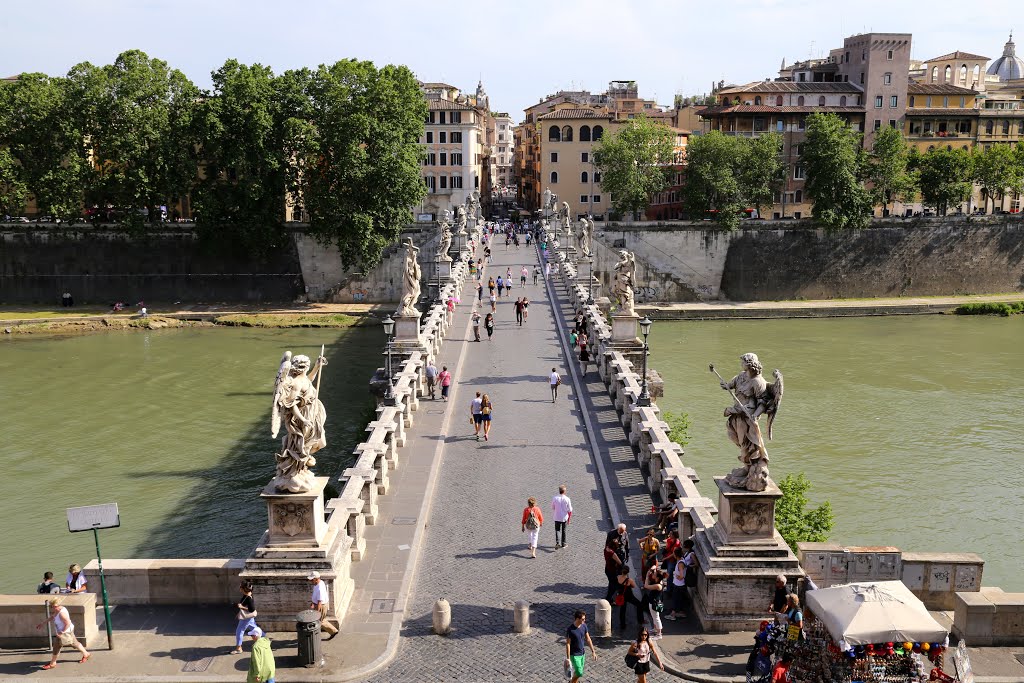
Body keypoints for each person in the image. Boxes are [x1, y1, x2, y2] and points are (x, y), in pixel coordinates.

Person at [37, 597, 90, 668]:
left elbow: (68, 623)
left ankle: (53, 663)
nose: (52, 608)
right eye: (52, 606)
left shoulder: (62, 614)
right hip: (67, 631)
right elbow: (53, 617)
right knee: (74, 643)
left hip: (65, 632)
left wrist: (61, 633)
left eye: (53, 606)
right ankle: (86, 654)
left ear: (56, 605)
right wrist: (42, 623)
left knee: (56, 647)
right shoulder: (59, 609)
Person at [565, 609, 598, 683]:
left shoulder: (584, 626)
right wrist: (568, 659)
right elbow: (568, 644)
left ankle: (573, 682)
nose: (584, 620)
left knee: (578, 672)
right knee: (579, 672)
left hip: (582, 653)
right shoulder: (570, 630)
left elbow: (588, 639)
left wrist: (593, 651)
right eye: (583, 619)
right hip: (574, 655)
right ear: (577, 619)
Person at [308, 571, 338, 639]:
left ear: (316, 579)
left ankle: (333, 631)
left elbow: (319, 602)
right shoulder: (320, 583)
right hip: (319, 605)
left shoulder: (319, 588)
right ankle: (333, 631)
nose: (310, 581)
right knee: (321, 620)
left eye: (312, 579)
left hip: (321, 606)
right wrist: (313, 602)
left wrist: (317, 612)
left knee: (319, 621)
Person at [614, 566, 645, 631]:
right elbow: (633, 586)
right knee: (639, 605)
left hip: (621, 596)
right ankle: (640, 620)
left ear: (622, 571)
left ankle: (622, 624)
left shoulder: (618, 577)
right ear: (628, 572)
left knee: (622, 610)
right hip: (629, 596)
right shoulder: (629, 580)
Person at [231, 581, 258, 654]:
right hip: (248, 617)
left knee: (239, 631)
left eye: (240, 587)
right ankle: (263, 640)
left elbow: (251, 609)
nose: (239, 587)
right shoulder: (247, 595)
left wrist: (241, 607)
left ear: (243, 589)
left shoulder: (248, 598)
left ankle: (239, 648)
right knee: (254, 629)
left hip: (246, 618)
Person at [642, 567, 667, 640]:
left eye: (654, 574)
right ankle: (655, 629)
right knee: (654, 617)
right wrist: (651, 570)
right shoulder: (659, 581)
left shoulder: (658, 585)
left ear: (657, 577)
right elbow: (654, 567)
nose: (652, 574)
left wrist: (647, 575)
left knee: (656, 618)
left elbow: (646, 586)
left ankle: (659, 634)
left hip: (654, 603)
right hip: (653, 602)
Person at [603, 537, 624, 602]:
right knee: (613, 586)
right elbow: (620, 562)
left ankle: (610, 599)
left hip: (607, 569)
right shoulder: (612, 553)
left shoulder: (606, 548)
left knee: (611, 584)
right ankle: (608, 599)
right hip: (612, 571)